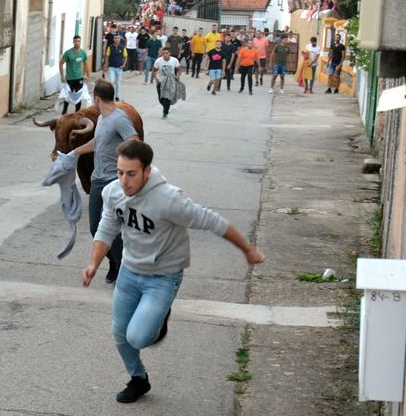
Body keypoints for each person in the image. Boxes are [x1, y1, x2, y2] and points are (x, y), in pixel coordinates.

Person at [81, 139, 265, 404]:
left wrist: (247, 249)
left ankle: (158, 317)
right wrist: (93, 265)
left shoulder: (169, 199)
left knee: (138, 336)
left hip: (163, 277)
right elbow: (107, 228)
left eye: (131, 174)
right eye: (120, 172)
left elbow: (213, 221)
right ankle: (138, 379)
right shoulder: (113, 192)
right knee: (121, 334)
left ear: (146, 171)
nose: (124, 180)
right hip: (129, 272)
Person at [71, 80, 140, 283]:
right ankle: (115, 263)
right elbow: (98, 142)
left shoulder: (119, 119)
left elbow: (135, 141)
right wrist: (75, 152)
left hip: (113, 182)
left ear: (97, 98)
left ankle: (122, 267)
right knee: (96, 228)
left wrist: (126, 170)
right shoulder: (101, 118)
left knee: (112, 228)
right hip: (97, 180)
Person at [59, 35, 90, 115]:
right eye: (75, 41)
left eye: (78, 41)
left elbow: (85, 64)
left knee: (79, 95)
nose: (77, 43)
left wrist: (88, 76)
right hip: (69, 78)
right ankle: (65, 110)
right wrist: (62, 76)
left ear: (80, 42)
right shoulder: (68, 53)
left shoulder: (83, 53)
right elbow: (61, 63)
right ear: (73, 42)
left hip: (79, 78)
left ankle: (77, 112)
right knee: (67, 96)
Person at [152, 47, 182, 118]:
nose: (165, 55)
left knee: (167, 98)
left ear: (169, 54)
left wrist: (178, 76)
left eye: (166, 53)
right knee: (161, 99)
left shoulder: (174, 60)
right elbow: (154, 70)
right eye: (163, 53)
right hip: (160, 81)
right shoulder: (158, 61)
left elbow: (179, 69)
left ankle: (165, 113)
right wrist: (156, 78)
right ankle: (166, 105)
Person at [104, 34, 127, 101]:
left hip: (119, 68)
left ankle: (117, 96)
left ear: (120, 39)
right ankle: (111, 95)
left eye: (118, 38)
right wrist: (106, 65)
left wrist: (124, 65)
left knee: (118, 82)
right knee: (111, 81)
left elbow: (125, 57)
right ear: (113, 39)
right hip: (111, 67)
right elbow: (107, 56)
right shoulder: (110, 47)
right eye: (115, 38)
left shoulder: (123, 48)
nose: (117, 39)